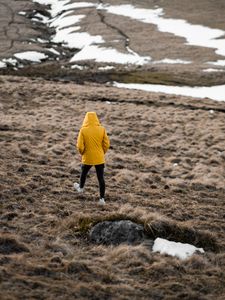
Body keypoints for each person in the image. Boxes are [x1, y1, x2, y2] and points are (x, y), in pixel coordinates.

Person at [74, 112, 110, 205]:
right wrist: (102, 153)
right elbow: (106, 144)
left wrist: (82, 153)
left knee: (83, 173)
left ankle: (81, 188)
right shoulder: (102, 129)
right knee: (101, 178)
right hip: (99, 157)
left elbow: (80, 146)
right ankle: (102, 199)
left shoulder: (83, 130)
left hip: (87, 157)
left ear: (86, 119)